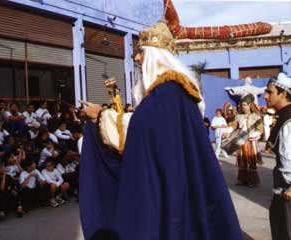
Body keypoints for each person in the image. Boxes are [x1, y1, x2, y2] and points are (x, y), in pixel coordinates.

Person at [79, 10, 242, 240]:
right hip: (178, 184)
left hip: (170, 192)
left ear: (155, 56)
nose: (136, 58)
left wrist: (101, 117)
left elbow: (142, 130)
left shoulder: (167, 93)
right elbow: (147, 127)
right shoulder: (174, 93)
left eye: (141, 53)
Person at [264, 73, 291, 240]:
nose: (266, 96)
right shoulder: (283, 116)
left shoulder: (288, 121)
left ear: (284, 94)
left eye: (270, 92)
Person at [236, 94, 263, 188]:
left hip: (251, 142)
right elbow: (235, 128)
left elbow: (260, 130)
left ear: (249, 105)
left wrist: (252, 135)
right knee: (242, 160)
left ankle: (252, 181)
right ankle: (242, 179)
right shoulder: (239, 116)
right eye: (242, 105)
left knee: (251, 160)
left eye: (244, 105)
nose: (242, 107)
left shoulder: (255, 116)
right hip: (241, 141)